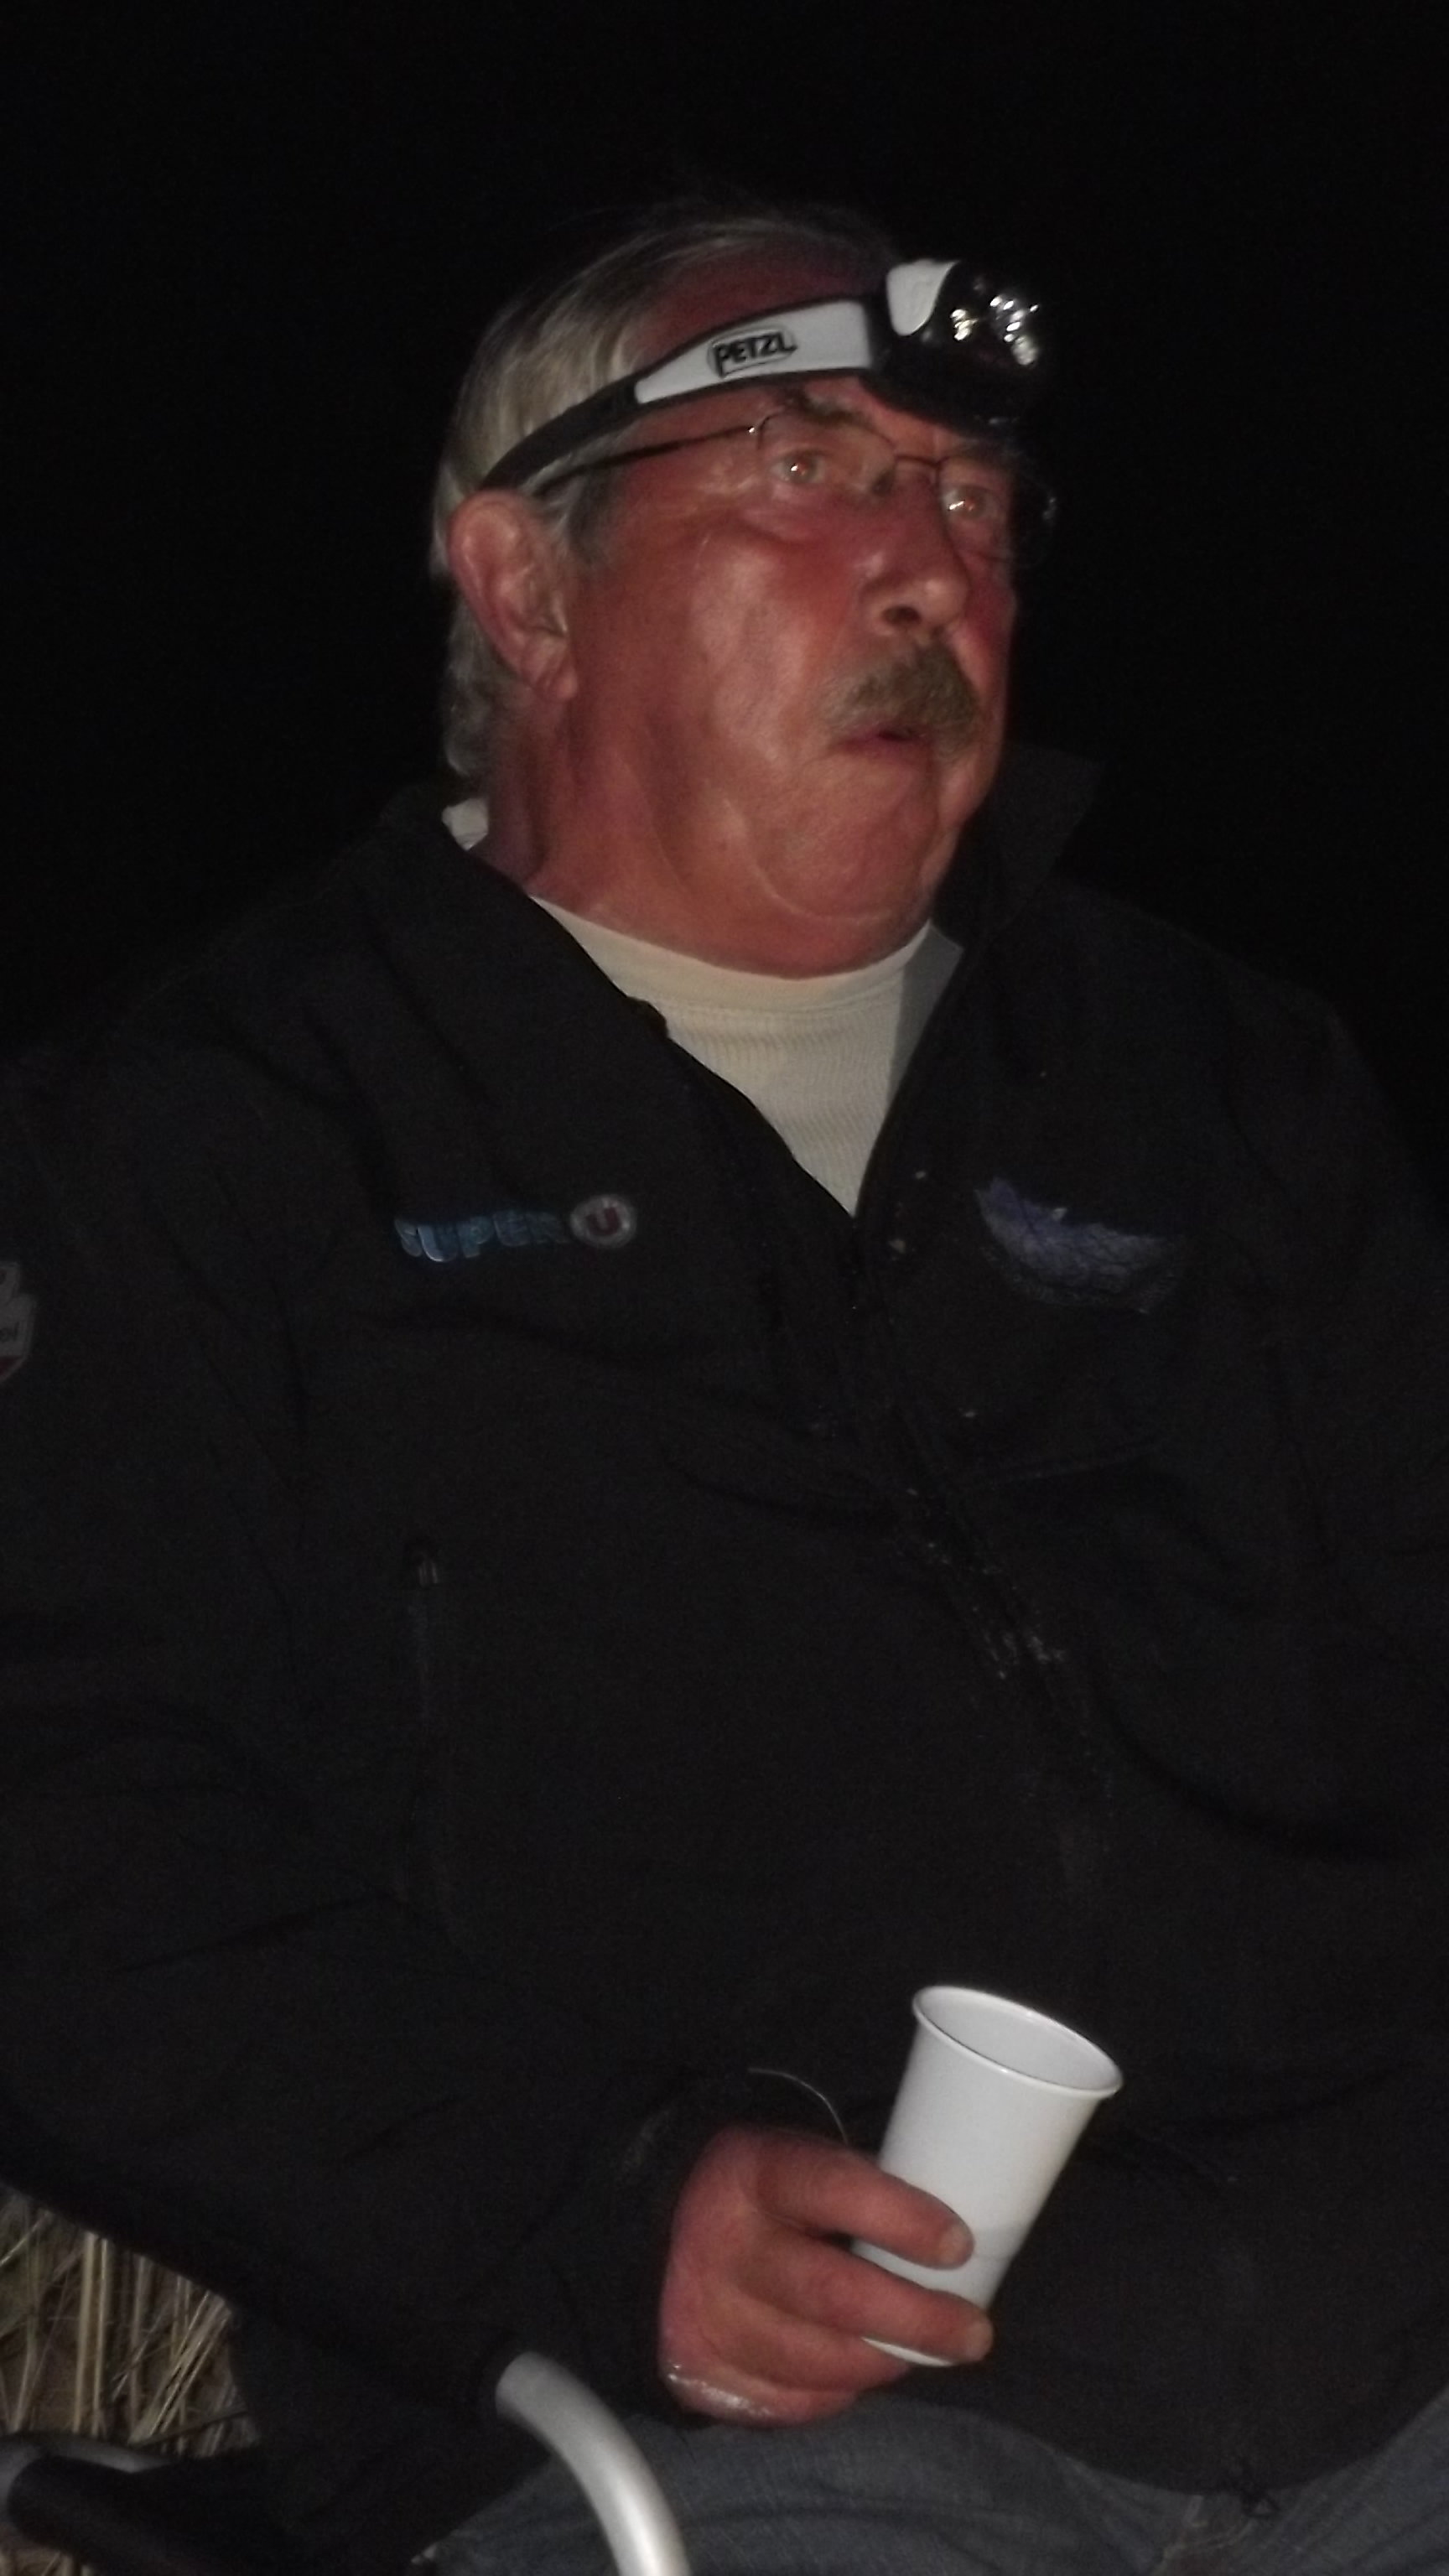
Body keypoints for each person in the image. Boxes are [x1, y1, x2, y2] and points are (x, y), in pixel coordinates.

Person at [2, 198, 1446, 2576]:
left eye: (970, 500)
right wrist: (582, 2201)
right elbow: (60, 1830)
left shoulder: (1217, 1088)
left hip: (1391, 2369)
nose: (927, 569)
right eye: (803, 468)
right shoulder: (218, 1137)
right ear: (527, 587)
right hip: (712, 2436)